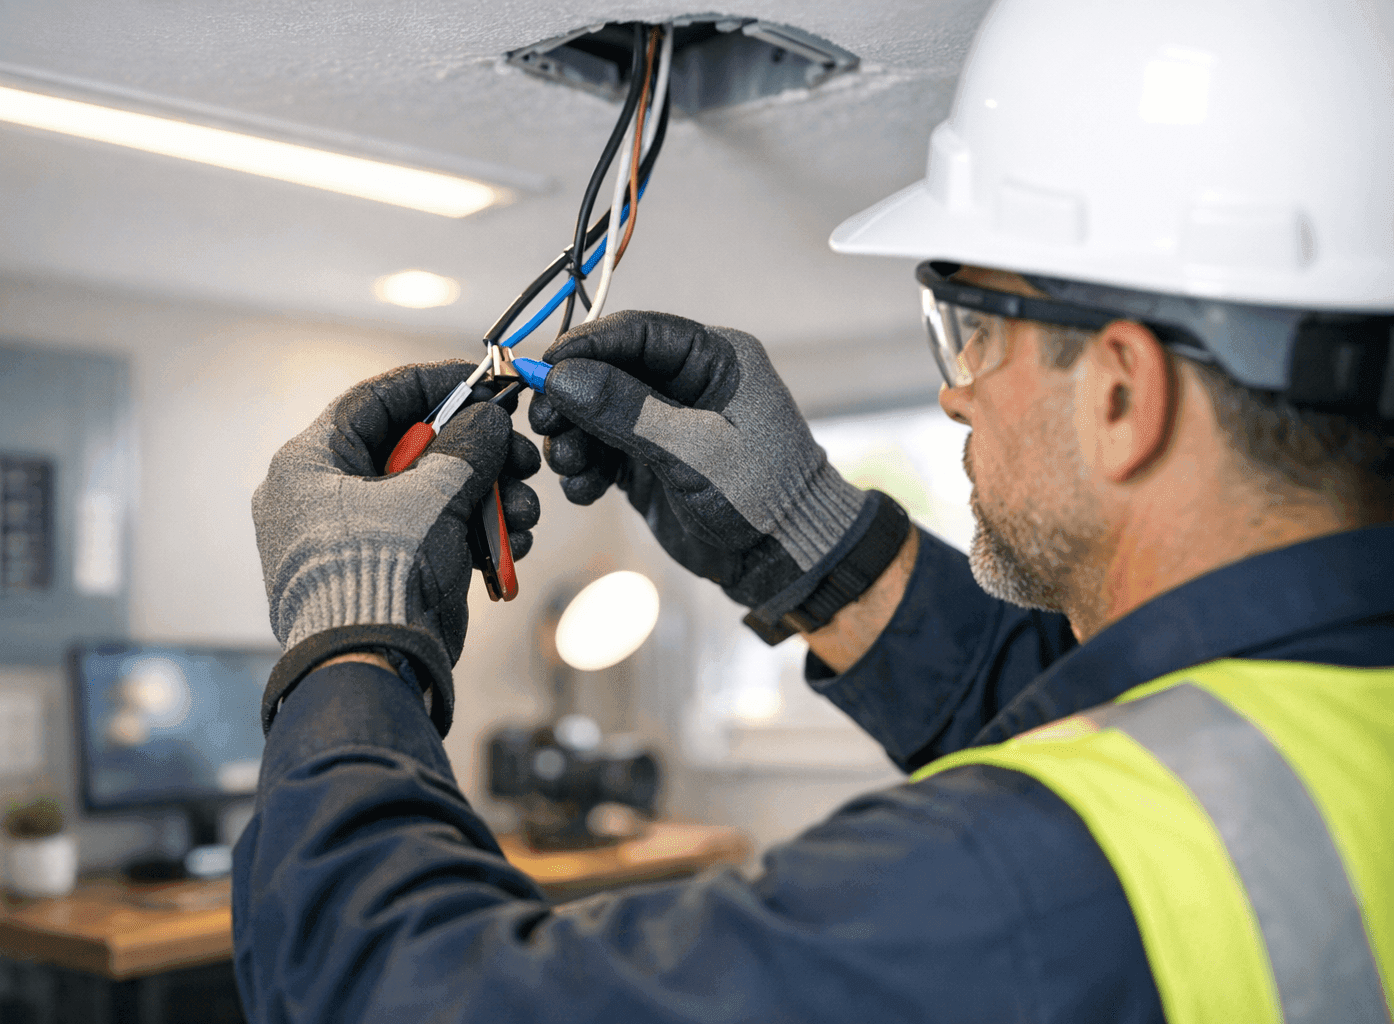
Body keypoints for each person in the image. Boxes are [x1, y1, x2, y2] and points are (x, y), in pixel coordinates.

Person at [234, 0, 1394, 1020]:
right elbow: (1143, 743)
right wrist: (816, 544)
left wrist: (348, 637)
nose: (955, 385)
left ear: (1124, 393)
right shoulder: (1310, 735)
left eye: (976, 325)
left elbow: (406, 993)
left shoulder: (1018, 875)